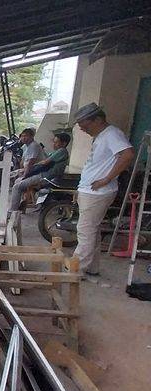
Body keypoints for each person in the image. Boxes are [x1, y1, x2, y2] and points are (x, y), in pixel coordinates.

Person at [73, 103, 135, 275]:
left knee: (85, 231)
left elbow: (128, 154)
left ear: (98, 120)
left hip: (97, 192)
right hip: (91, 191)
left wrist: (107, 178)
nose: (84, 130)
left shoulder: (112, 134)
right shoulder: (102, 135)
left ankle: (76, 270)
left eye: (85, 126)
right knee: (92, 230)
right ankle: (91, 267)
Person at [9, 133, 71, 211]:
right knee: (17, 179)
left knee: (16, 187)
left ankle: (12, 211)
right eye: (53, 142)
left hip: (45, 177)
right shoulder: (58, 152)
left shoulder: (62, 151)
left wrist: (33, 166)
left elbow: (45, 162)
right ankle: (23, 200)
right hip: (44, 175)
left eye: (56, 142)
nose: (54, 144)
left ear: (64, 143)